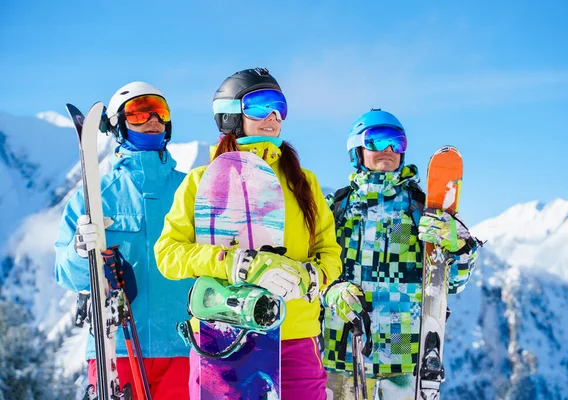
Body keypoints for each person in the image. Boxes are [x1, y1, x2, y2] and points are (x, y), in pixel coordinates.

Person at [154, 67, 342, 400]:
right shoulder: (202, 181)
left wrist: (309, 277)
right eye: (259, 105)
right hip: (224, 334)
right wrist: (234, 263)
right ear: (230, 115)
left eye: (279, 107)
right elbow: (168, 254)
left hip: (295, 336)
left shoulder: (305, 183)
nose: (272, 116)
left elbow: (330, 254)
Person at [321, 109, 481, 399]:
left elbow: (451, 284)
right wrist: (331, 291)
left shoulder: (422, 210)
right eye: (376, 141)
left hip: (402, 364)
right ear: (356, 150)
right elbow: (313, 269)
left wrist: (458, 248)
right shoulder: (334, 210)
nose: (389, 150)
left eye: (397, 142)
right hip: (341, 357)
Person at [55, 82, 193, 399]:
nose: (152, 119)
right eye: (139, 113)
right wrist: (79, 251)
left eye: (159, 112)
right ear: (118, 125)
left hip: (184, 346)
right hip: (115, 349)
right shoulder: (94, 195)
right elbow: (67, 275)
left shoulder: (191, 192)